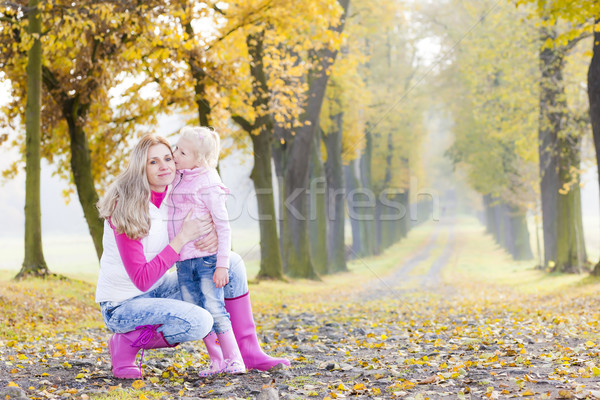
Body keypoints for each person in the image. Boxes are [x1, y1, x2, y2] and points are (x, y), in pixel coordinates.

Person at [95, 134, 289, 379]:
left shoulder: (174, 194)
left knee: (232, 263)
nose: (164, 165)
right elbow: (141, 279)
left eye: (168, 157)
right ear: (139, 167)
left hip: (159, 289)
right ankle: (126, 342)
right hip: (123, 304)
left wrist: (211, 240)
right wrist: (181, 239)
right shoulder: (124, 206)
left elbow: (198, 230)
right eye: (153, 162)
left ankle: (247, 352)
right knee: (200, 321)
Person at [168, 126, 243, 376]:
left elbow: (223, 225)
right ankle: (217, 359)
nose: (175, 154)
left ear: (199, 160)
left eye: (182, 152)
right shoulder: (178, 176)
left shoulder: (208, 181)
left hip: (207, 261)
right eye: (176, 147)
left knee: (214, 307)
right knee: (195, 309)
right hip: (184, 261)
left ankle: (235, 359)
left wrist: (222, 264)